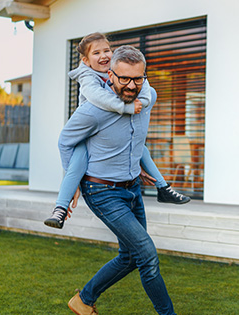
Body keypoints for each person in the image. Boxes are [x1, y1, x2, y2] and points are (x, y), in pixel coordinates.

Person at [59, 45, 192, 315]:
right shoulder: (93, 110)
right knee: (146, 253)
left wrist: (136, 165)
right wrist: (73, 182)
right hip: (101, 190)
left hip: (132, 188)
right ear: (109, 74)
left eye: (138, 79)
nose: (131, 86)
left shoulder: (149, 96)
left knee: (130, 256)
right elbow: (65, 141)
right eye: (124, 79)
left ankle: (84, 299)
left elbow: (134, 139)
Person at [44, 33, 190, 230]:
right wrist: (128, 108)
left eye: (106, 50)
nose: (103, 56)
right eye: (96, 53)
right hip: (89, 136)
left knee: (141, 149)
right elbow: (99, 99)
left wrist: (142, 103)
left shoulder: (121, 69)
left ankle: (163, 187)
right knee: (76, 164)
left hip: (116, 130)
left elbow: (145, 86)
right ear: (86, 61)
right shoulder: (87, 76)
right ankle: (60, 208)